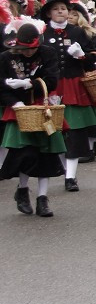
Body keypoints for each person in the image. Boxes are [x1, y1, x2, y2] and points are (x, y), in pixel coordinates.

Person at [40, 0, 96, 192]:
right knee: (56, 130)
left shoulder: (77, 32)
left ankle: (71, 176)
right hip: (52, 86)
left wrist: (81, 56)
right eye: (56, 9)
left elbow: (92, 61)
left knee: (75, 131)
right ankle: (63, 168)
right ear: (49, 12)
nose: (61, 11)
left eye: (64, 8)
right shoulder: (42, 33)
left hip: (74, 85)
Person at [0, 20, 62, 217]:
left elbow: (52, 80)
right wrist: (14, 102)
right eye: (23, 50)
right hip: (19, 110)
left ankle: (42, 198)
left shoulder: (48, 53)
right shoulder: (5, 58)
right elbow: (1, 87)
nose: (27, 53)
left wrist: (29, 84)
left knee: (46, 154)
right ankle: (23, 190)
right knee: (25, 154)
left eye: (31, 49)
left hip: (43, 107)